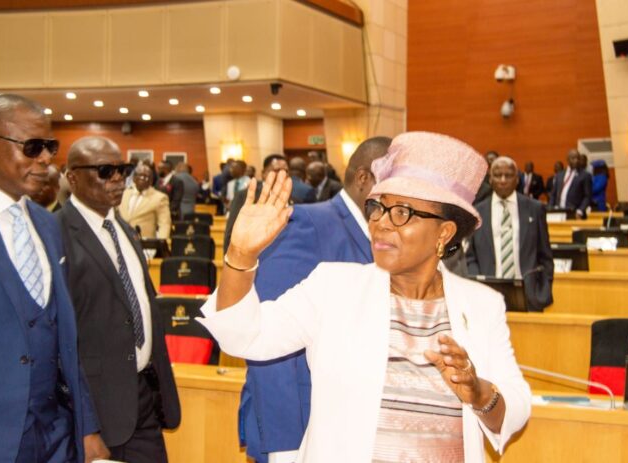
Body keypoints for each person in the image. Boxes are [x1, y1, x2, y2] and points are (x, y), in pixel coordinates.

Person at [199, 132, 531, 462]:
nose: (381, 224)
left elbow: (515, 410)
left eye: (401, 212)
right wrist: (240, 255)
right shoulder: (333, 287)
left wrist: (478, 392)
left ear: (443, 233)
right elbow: (245, 336)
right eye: (378, 208)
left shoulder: (482, 306)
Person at [239, 137, 391, 463]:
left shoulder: (379, 238)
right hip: (298, 431)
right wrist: (285, 449)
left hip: (346, 428)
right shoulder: (307, 225)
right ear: (364, 179)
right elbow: (268, 338)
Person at [0, 94, 108, 462]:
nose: (46, 159)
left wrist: (87, 426)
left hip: (55, 434)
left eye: (50, 147)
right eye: (32, 147)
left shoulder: (47, 224)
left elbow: (64, 335)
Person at [58, 136, 181, 462]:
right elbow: (57, 342)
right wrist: (84, 426)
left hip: (142, 397)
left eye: (122, 170)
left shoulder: (122, 229)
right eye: (104, 171)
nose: (117, 179)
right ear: (72, 178)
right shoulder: (56, 234)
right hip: (96, 410)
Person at [466, 157, 554, 311]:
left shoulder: (535, 209)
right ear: (490, 179)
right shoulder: (477, 212)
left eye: (508, 175)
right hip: (487, 296)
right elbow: (470, 257)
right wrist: (478, 285)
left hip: (528, 296)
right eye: (497, 175)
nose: (503, 180)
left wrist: (542, 291)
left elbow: (545, 256)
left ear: (517, 179)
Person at [119, 163, 172, 239]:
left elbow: (164, 223)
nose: (142, 178)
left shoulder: (160, 198)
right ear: (134, 178)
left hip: (144, 243)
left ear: (151, 181)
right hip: (121, 239)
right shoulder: (124, 193)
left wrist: (161, 242)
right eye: (140, 175)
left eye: (146, 176)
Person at [548, 149, 592, 218]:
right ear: (568, 160)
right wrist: (550, 208)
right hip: (558, 211)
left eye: (578, 158)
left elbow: (587, 196)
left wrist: (580, 210)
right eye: (573, 158)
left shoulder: (585, 175)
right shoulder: (559, 175)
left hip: (574, 213)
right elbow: (553, 194)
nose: (576, 161)